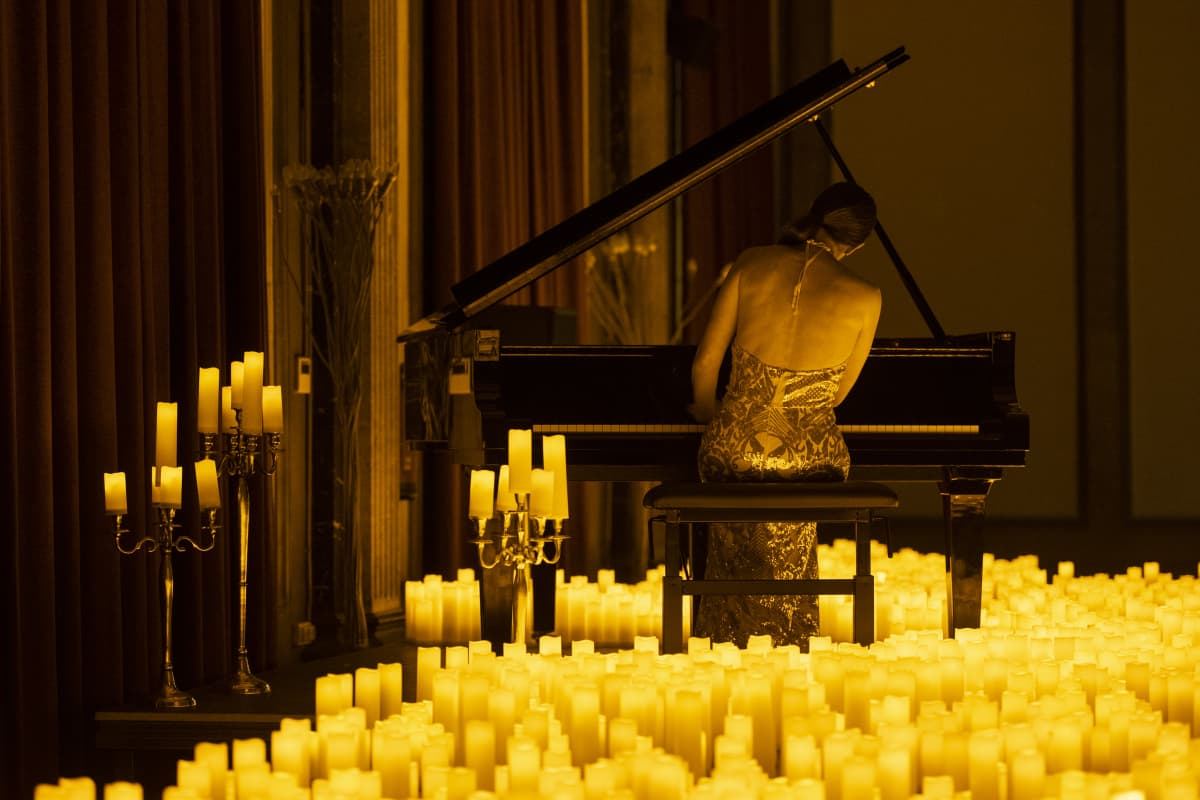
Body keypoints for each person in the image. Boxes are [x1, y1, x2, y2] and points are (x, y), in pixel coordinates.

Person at [688, 181, 882, 649]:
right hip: (809, 456)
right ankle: (788, 637)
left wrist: (711, 415)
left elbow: (705, 366)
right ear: (857, 245)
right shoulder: (866, 295)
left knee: (735, 510)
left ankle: (725, 635)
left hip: (735, 447)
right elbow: (835, 396)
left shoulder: (752, 262)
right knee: (792, 523)